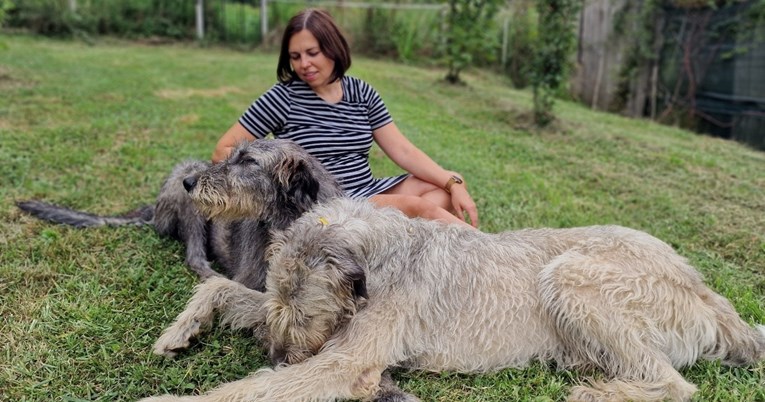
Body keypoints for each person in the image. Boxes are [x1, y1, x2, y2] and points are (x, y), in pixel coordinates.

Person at [212, 8, 478, 227]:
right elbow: (222, 150)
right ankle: (484, 248)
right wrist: (274, 176)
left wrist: (453, 183)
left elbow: (403, 150)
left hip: (367, 190)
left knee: (447, 185)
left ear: (333, 48)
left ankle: (394, 236)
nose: (304, 64)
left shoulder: (362, 93)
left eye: (312, 53)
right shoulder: (283, 98)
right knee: (417, 207)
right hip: (322, 204)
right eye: (295, 57)